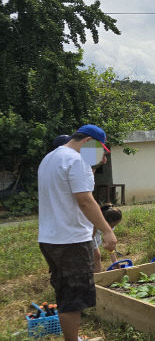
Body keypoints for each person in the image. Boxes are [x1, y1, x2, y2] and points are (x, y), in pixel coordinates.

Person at [37, 124, 117, 341]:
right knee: (73, 298)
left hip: (50, 238)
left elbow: (70, 190)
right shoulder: (76, 160)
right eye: (98, 149)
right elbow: (84, 200)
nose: (99, 154)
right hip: (70, 240)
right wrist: (107, 230)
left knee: (65, 292)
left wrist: (92, 166)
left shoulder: (51, 158)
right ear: (88, 142)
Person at [92, 205, 123, 273]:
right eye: (112, 225)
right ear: (104, 222)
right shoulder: (92, 226)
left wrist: (115, 262)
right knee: (96, 256)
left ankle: (98, 276)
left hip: (95, 237)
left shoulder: (109, 227)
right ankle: (97, 276)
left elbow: (110, 246)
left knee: (96, 257)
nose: (112, 228)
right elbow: (91, 238)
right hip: (88, 237)